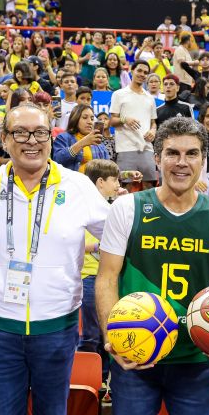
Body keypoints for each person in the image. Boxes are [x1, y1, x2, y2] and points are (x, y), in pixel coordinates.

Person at [95, 116, 209, 415]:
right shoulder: (127, 208)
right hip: (135, 355)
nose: (182, 162)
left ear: (203, 159)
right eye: (172, 153)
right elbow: (106, 279)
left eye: (192, 154)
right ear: (157, 159)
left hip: (195, 359)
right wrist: (112, 339)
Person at [0, 104, 111, 415]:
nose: (31, 141)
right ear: (5, 139)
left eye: (40, 133)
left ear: (52, 137)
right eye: (20, 133)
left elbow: (116, 237)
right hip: (1, 328)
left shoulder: (77, 185)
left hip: (57, 328)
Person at [79, 159, 124, 385]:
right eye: (114, 180)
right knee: (90, 335)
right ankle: (88, 381)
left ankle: (104, 380)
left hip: (107, 278)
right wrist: (100, 246)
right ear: (100, 182)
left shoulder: (110, 208)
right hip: (88, 277)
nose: (118, 184)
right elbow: (77, 244)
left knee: (108, 332)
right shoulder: (82, 208)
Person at [110, 60, 158, 186]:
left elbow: (153, 122)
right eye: (139, 71)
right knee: (125, 189)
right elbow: (112, 121)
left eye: (145, 72)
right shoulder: (118, 94)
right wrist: (125, 119)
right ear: (132, 71)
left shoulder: (150, 98)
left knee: (149, 188)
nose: (142, 74)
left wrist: (153, 131)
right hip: (126, 148)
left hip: (147, 148)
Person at [53, 104, 109, 172]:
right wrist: (82, 143)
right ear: (75, 119)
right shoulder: (63, 138)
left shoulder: (98, 143)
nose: (90, 122)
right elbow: (56, 161)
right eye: (85, 118)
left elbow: (107, 169)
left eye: (92, 119)